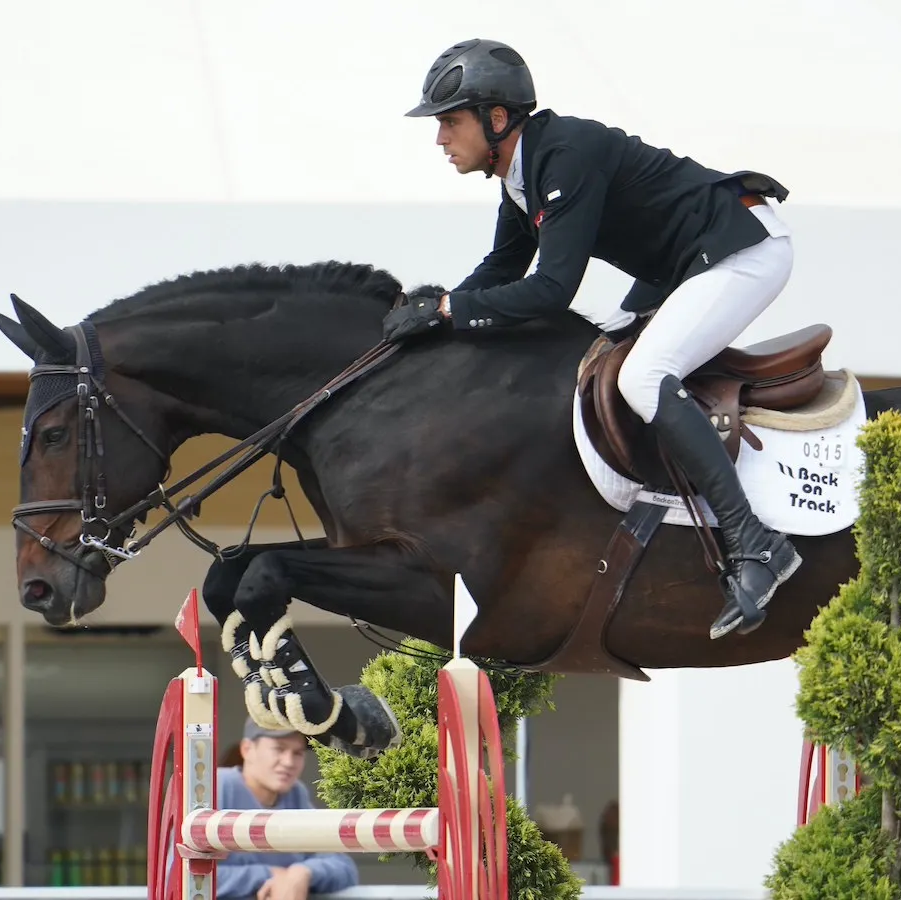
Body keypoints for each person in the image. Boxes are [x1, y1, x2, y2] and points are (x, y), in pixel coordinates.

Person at [384, 37, 801, 639]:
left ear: (497, 120)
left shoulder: (565, 156)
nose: (440, 138)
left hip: (744, 250)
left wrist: (451, 310)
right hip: (682, 266)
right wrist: (436, 314)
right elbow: (501, 270)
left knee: (643, 376)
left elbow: (552, 288)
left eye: (450, 121)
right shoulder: (521, 173)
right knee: (604, 353)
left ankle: (756, 543)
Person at [214, 720, 360, 899]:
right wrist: (272, 875)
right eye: (279, 749)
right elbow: (182, 874)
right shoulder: (219, 785)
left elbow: (344, 868)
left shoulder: (295, 793)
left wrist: (303, 873)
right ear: (247, 750)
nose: (289, 762)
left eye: (297, 753)